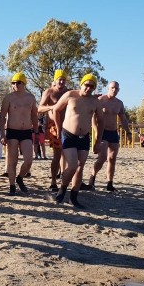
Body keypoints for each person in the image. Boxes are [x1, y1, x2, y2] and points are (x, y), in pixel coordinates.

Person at [52, 74, 102, 208]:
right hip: (68, 134)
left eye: (92, 86)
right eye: (87, 85)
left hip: (84, 137)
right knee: (73, 165)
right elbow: (56, 109)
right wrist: (58, 128)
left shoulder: (95, 101)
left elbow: (101, 122)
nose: (89, 88)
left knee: (80, 168)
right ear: (81, 84)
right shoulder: (70, 95)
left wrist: (98, 140)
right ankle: (62, 190)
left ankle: (74, 197)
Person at [85, 80, 131, 192]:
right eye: (112, 88)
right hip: (103, 132)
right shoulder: (100, 100)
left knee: (112, 159)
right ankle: (92, 177)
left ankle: (110, 183)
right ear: (108, 88)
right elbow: (93, 119)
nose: (114, 90)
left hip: (113, 132)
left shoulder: (119, 103)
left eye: (116, 88)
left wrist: (128, 132)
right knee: (102, 158)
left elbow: (123, 119)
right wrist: (96, 132)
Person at [0, 72, 38, 195]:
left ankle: (20, 177)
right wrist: (3, 134)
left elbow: (34, 116)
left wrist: (36, 131)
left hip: (26, 131)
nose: (15, 85)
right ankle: (11, 186)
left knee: (28, 160)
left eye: (18, 82)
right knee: (12, 160)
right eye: (13, 83)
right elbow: (2, 116)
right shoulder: (9, 98)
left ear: (24, 83)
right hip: (12, 131)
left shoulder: (30, 98)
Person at [38, 69, 70, 191]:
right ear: (55, 80)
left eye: (63, 79)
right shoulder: (49, 92)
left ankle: (63, 177)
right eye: (59, 79)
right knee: (57, 154)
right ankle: (53, 181)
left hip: (68, 126)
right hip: (54, 127)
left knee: (67, 154)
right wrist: (53, 107)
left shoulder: (69, 92)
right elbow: (39, 108)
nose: (61, 81)